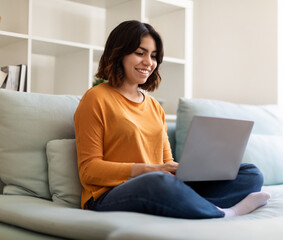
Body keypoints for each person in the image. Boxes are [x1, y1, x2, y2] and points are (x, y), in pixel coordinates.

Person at [74, 20, 270, 219]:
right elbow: (89, 170)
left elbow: (166, 162)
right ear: (119, 53)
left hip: (160, 185)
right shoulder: (96, 98)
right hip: (109, 195)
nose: (149, 62)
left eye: (154, 56)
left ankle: (191, 204)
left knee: (250, 174)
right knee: (158, 183)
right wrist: (148, 170)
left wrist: (191, 170)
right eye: (140, 53)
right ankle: (226, 212)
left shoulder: (154, 106)